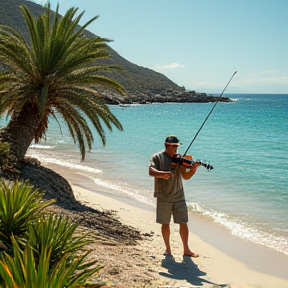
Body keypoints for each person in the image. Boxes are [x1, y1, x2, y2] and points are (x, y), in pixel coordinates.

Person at [149, 135, 200, 258]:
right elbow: (151, 171)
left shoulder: (179, 158)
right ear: (168, 145)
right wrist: (163, 174)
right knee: (165, 222)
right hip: (163, 195)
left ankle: (186, 249)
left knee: (183, 222)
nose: (177, 148)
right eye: (175, 146)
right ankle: (168, 250)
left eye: (177, 146)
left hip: (179, 195)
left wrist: (193, 169)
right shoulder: (157, 157)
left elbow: (186, 176)